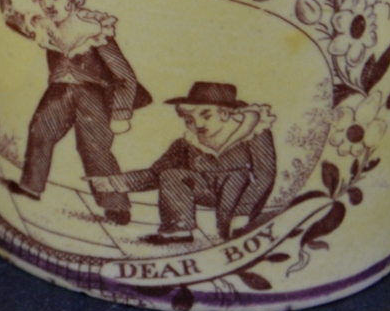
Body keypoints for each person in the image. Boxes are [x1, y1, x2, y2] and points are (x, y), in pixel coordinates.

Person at [0, 0, 150, 224]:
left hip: (92, 96)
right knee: (40, 131)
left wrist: (120, 113)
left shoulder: (94, 31)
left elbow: (125, 76)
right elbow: (9, 15)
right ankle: (31, 187)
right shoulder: (44, 28)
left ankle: (116, 205)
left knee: (94, 147)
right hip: (58, 92)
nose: (48, 4)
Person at [119, 82, 277, 246]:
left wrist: (243, 211)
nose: (198, 125)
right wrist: (116, 183)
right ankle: (178, 229)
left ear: (224, 114)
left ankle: (233, 228)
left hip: (241, 193)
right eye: (189, 120)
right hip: (207, 190)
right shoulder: (188, 142)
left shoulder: (254, 134)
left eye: (206, 116)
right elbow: (156, 173)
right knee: (172, 175)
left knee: (231, 224)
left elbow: (264, 175)